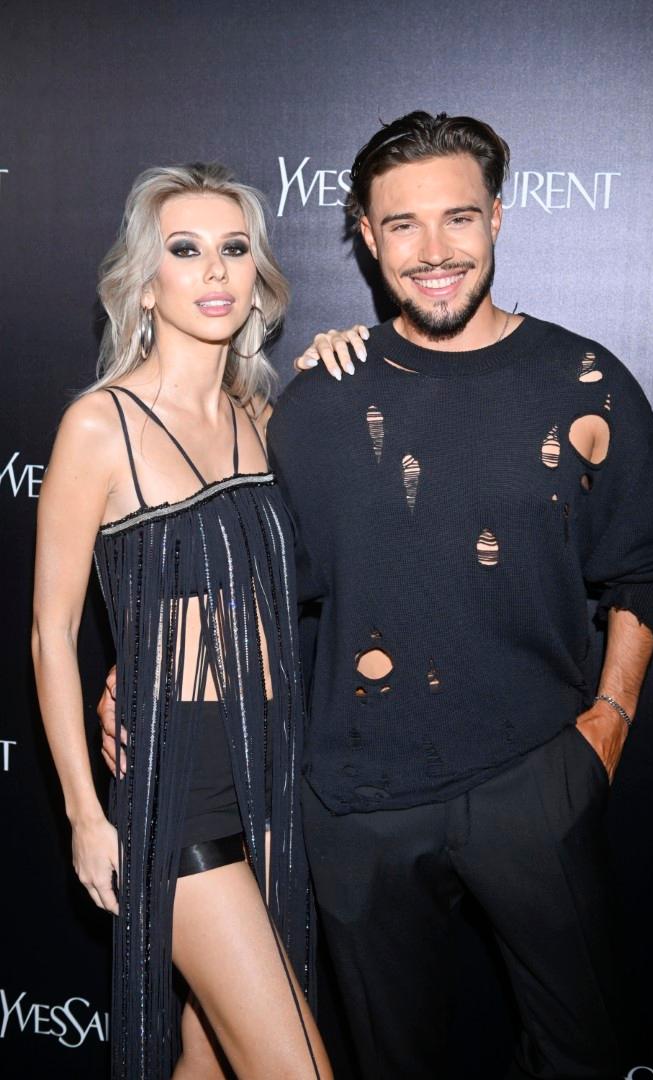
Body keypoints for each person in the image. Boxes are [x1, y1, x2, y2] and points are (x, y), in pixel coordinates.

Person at [100, 114, 653, 1080]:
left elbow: (650, 559)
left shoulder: (583, 380)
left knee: (586, 1053)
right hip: (354, 803)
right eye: (403, 225)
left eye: (457, 218)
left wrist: (610, 722)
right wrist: (141, 671)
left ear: (497, 217)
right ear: (367, 238)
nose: (434, 251)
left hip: (534, 778)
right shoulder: (321, 400)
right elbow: (250, 574)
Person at [32, 162, 338, 1080]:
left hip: (276, 766)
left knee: (207, 1058)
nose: (214, 271)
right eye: (186, 249)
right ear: (145, 283)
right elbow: (52, 632)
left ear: (256, 277)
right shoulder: (100, 426)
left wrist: (347, 354)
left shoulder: (263, 419)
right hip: (181, 780)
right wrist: (86, 815)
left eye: (234, 250)